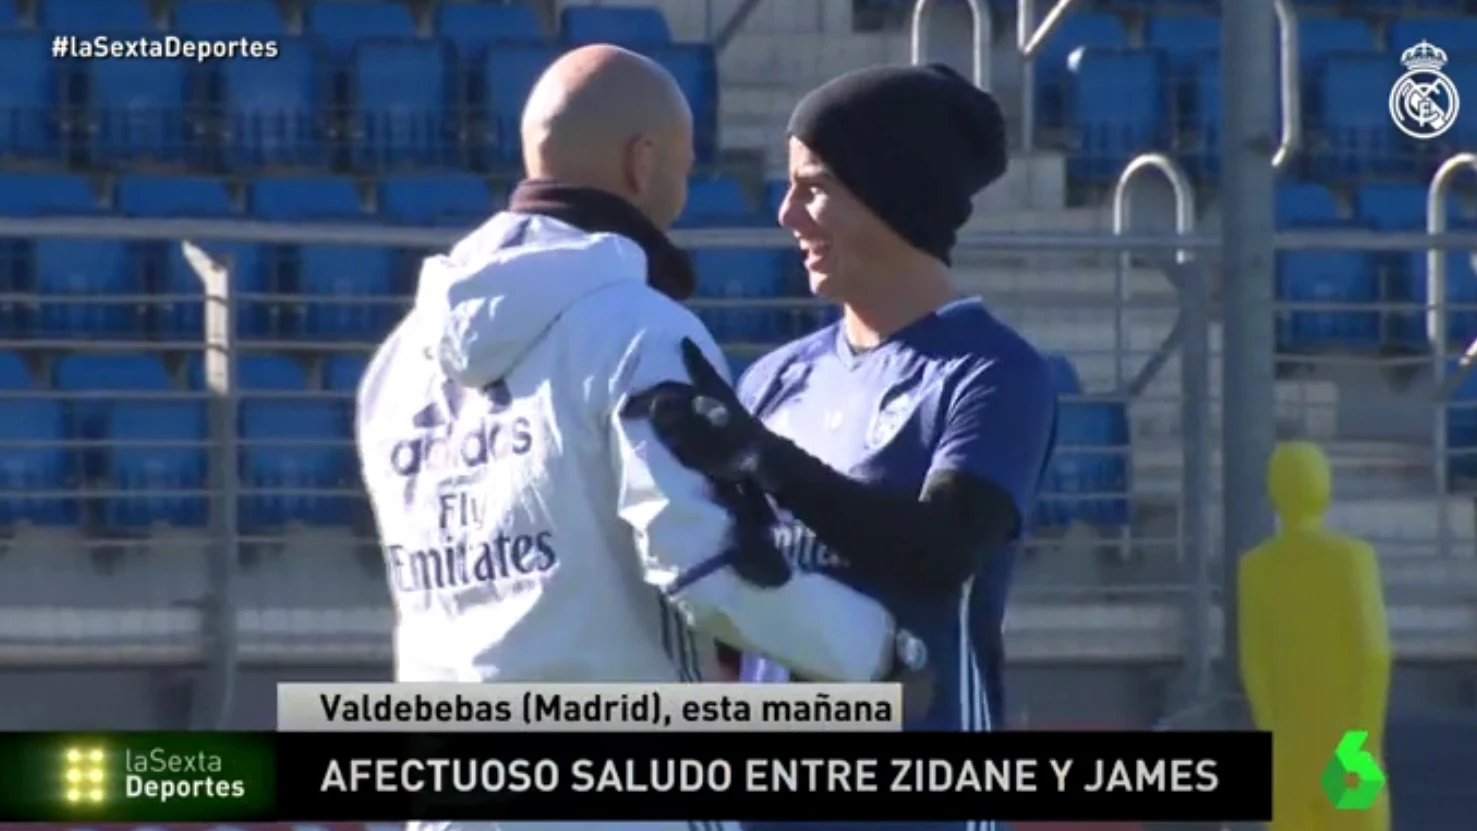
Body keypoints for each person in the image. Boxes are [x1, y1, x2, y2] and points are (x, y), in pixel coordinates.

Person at [355, 45, 926, 831]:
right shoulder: (638, 330)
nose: (682, 192)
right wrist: (878, 652)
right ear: (642, 161)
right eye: (685, 170)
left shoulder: (396, 360)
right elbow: (712, 570)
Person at [625, 63, 1059, 831]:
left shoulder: (990, 371)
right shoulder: (775, 377)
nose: (788, 213)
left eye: (815, 186)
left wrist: (763, 459)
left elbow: (940, 549)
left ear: (894, 194)